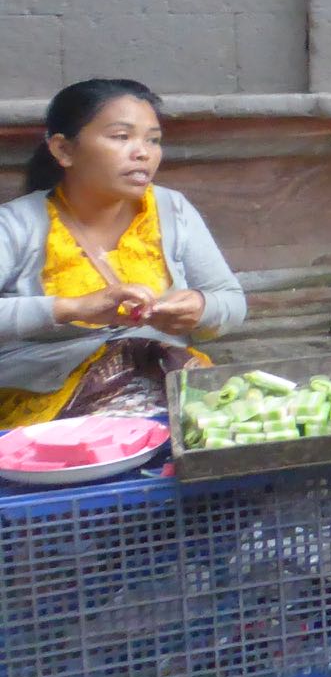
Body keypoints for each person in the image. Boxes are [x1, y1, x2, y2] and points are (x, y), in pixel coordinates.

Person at [1, 79, 244, 427]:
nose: (143, 153)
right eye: (121, 136)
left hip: (163, 383)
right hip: (47, 402)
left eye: (153, 140)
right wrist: (71, 308)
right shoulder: (16, 225)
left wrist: (201, 308)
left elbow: (231, 301)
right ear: (64, 150)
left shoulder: (172, 209)